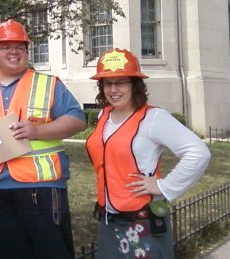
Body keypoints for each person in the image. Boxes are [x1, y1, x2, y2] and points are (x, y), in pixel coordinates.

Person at [0, 19, 87, 259]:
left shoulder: (48, 84)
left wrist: (36, 131)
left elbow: (77, 120)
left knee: (52, 253)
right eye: (6, 47)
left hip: (39, 187)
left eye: (19, 47)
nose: (13, 52)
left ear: (27, 51)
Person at [86, 48, 211, 258]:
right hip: (109, 220)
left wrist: (164, 186)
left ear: (134, 85)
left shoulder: (153, 118)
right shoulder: (103, 115)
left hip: (142, 220)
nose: (113, 89)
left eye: (121, 82)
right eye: (108, 83)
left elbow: (198, 153)